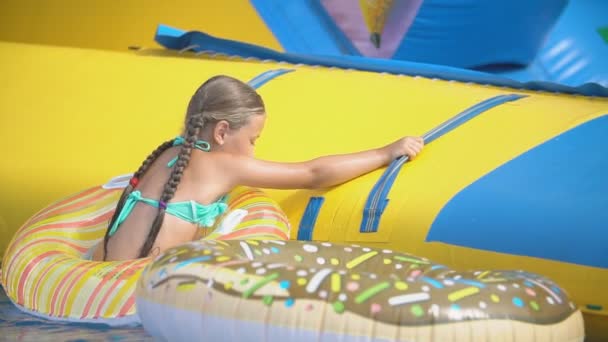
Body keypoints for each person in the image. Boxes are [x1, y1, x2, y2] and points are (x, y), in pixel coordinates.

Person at [92, 75, 424, 261]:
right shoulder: (225, 165)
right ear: (222, 132)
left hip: (104, 282)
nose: (254, 148)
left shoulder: (168, 152)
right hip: (143, 297)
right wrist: (385, 152)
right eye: (253, 139)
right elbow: (313, 174)